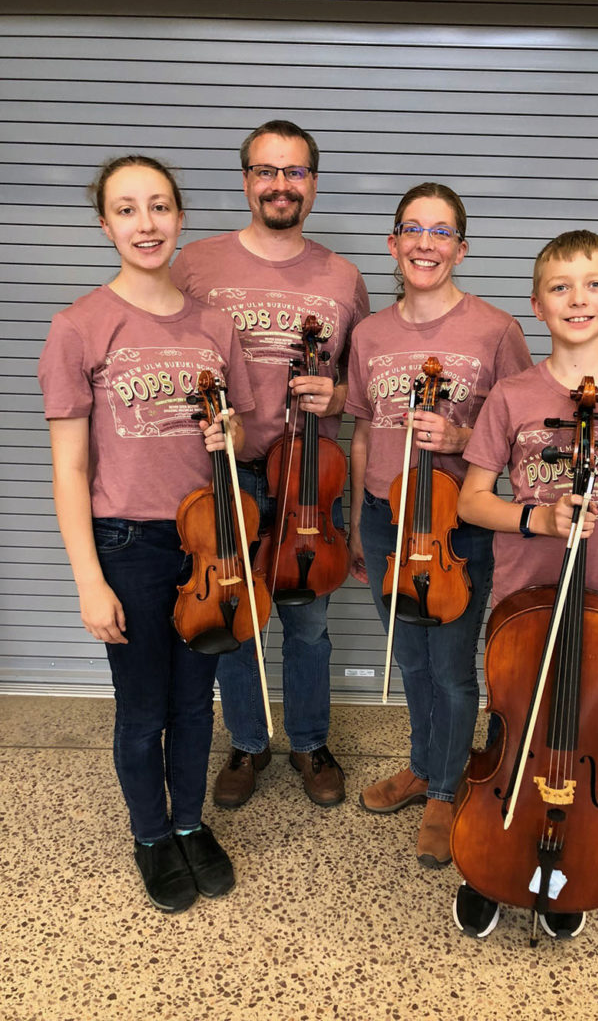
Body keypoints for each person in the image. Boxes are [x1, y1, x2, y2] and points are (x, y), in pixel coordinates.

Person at [38, 155, 256, 913]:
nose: (146, 223)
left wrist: (229, 432)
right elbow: (70, 468)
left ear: (180, 216)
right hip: (127, 544)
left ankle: (191, 824)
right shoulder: (79, 326)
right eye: (127, 210)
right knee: (143, 710)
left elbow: (239, 433)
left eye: (158, 207)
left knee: (198, 703)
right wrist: (88, 579)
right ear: (105, 225)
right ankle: (151, 837)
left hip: (209, 546)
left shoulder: (215, 325)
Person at [455, 228, 598, 939]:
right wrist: (539, 520)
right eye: (559, 287)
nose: (576, 299)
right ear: (536, 304)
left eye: (591, 286)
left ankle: (571, 862)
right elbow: (471, 501)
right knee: (511, 732)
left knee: (585, 732)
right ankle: (487, 864)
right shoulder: (513, 395)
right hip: (523, 611)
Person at [170, 121, 370, 809]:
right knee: (235, 615)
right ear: (246, 180)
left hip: (311, 480)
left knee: (309, 625)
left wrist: (337, 393)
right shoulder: (194, 265)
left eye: (295, 172)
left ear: (313, 182)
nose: (280, 184)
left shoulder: (344, 277)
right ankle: (250, 744)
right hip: (227, 474)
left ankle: (310, 742)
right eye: (266, 171)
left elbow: (361, 382)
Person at [345, 182, 532, 868]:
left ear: (461, 246)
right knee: (410, 656)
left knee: (452, 668)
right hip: (383, 518)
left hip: (456, 527)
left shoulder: (497, 330)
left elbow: (526, 434)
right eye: (413, 228)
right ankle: (424, 766)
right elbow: (363, 428)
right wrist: (355, 517)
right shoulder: (369, 333)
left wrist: (460, 441)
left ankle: (447, 789)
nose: (427, 241)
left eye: (442, 230)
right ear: (394, 243)